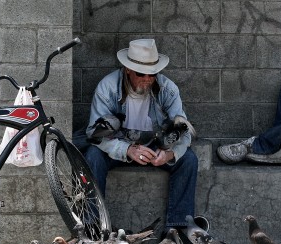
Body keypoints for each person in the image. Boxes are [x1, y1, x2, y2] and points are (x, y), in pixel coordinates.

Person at [83, 38, 198, 232]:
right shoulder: (108, 87)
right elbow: (94, 134)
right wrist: (127, 149)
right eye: (141, 73)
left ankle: (177, 230)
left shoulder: (168, 89)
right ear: (127, 69)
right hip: (118, 145)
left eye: (152, 74)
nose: (147, 79)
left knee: (189, 160)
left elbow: (184, 132)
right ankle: (93, 226)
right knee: (92, 156)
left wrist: (169, 154)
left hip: (155, 144)